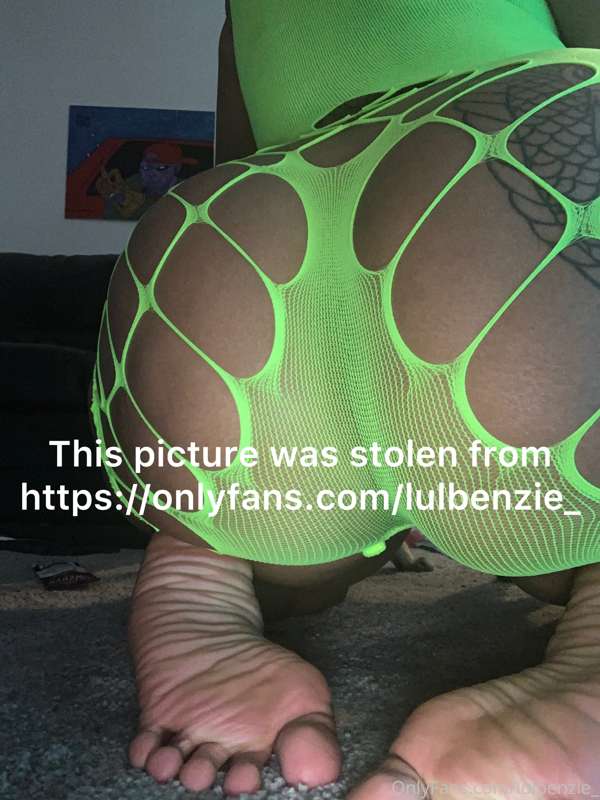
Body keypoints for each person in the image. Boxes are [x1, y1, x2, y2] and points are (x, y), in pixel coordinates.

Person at [89, 1, 600, 796]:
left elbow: (244, 151)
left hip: (229, 248)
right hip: (503, 158)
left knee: (282, 549)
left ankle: (201, 567)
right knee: (567, 529)